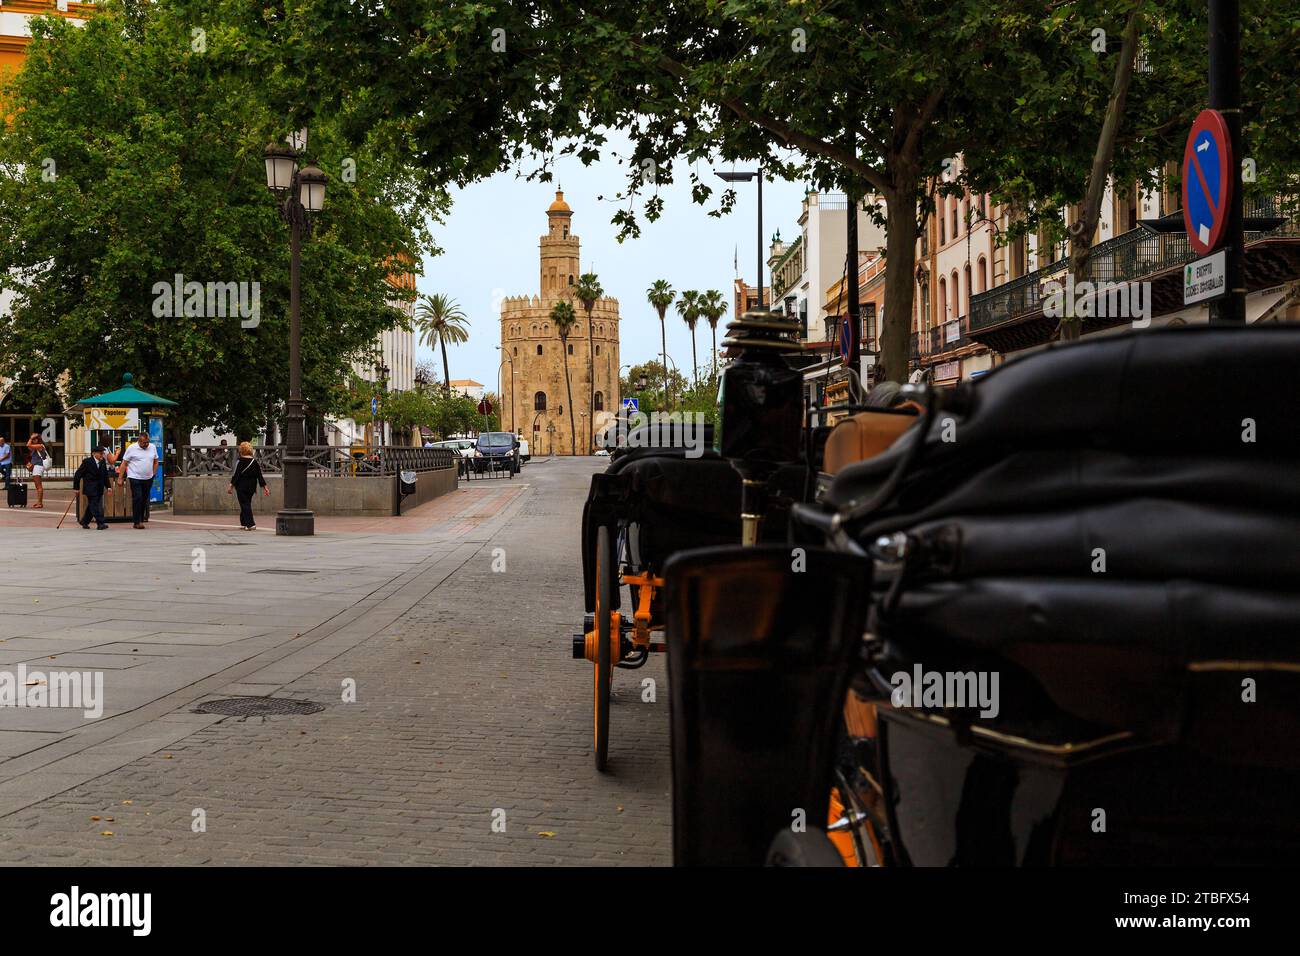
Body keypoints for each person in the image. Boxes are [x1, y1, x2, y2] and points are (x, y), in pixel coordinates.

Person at [118, 433, 159, 529]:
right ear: (139, 441)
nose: (146, 445)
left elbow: (156, 461)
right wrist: (120, 477)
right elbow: (124, 463)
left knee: (144, 499)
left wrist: (153, 473)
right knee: (138, 497)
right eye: (144, 443)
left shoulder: (152, 447)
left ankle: (140, 518)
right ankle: (137, 521)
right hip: (134, 477)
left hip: (148, 478)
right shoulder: (132, 448)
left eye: (148, 442)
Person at [227, 441, 269, 530]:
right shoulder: (255, 462)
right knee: (246, 503)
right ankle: (244, 522)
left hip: (242, 487)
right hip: (252, 487)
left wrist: (231, 486)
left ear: (241, 450)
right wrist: (265, 487)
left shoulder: (240, 461)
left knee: (245, 504)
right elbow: (259, 476)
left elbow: (236, 475)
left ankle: (250, 524)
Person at [72, 446, 111, 529]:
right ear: (94, 453)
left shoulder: (102, 461)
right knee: (94, 505)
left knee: (92, 506)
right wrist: (76, 488)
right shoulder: (87, 462)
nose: (102, 455)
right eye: (101, 453)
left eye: (103, 453)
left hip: (99, 488)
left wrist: (108, 487)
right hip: (90, 488)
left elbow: (105, 475)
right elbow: (77, 475)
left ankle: (84, 521)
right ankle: (100, 523)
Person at [26, 434, 49, 509]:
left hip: (39, 466)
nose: (33, 440)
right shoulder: (35, 448)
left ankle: (40, 503)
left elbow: (28, 445)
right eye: (33, 439)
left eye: (34, 439)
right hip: (36, 466)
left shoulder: (40, 446)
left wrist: (31, 437)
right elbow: (29, 446)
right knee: (37, 485)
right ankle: (39, 502)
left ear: (38, 439)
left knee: (39, 486)